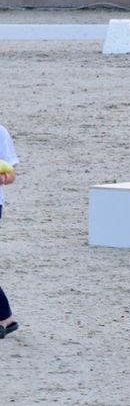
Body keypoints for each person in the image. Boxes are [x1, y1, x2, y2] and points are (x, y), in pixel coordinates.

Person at [0, 123, 20, 338]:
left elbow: (11, 174)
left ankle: (4, 317)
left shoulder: (0, 132)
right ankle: (6, 318)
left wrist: (3, 178)